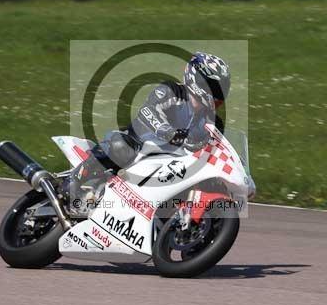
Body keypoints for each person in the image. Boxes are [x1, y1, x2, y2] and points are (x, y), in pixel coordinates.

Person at [62, 52, 231, 209]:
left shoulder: (213, 122)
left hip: (173, 165)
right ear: (197, 80)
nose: (217, 94)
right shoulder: (172, 91)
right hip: (140, 145)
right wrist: (167, 131)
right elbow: (147, 111)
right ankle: (76, 177)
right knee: (121, 147)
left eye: (220, 89)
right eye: (214, 87)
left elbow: (217, 148)